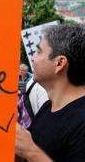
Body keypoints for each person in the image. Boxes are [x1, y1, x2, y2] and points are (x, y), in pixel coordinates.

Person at [15, 24, 85, 162]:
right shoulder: (47, 107)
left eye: (39, 52)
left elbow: (32, 152)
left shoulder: (82, 122)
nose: (33, 58)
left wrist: (31, 151)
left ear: (60, 63)